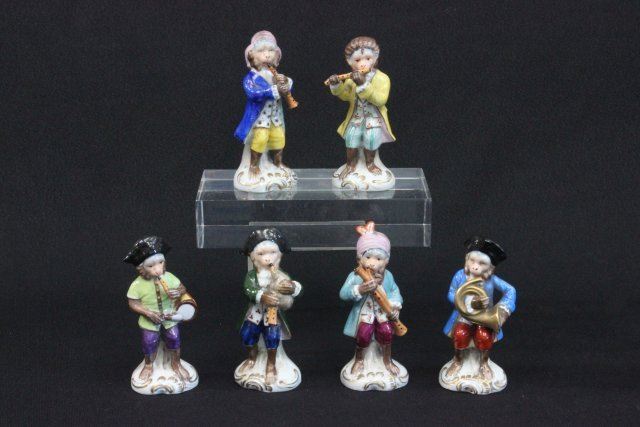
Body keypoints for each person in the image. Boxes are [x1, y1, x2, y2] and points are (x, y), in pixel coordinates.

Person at [443, 237, 516, 381]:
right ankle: (458, 360)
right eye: (472, 261)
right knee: (460, 334)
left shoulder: (491, 280)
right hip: (464, 315)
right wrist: (460, 302)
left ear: (490, 268)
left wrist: (503, 310)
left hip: (484, 316)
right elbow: (451, 292)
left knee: (484, 336)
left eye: (481, 263)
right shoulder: (460, 275)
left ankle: (484, 363)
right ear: (467, 260)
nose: (475, 266)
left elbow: (510, 290)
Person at [239, 228, 302, 385]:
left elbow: (293, 289)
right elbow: (248, 289)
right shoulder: (252, 276)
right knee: (247, 334)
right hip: (256, 312)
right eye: (261, 254)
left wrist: (292, 288)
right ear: (253, 257)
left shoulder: (280, 275)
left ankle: (271, 365)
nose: (267, 258)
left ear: (279, 255)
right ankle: (252, 357)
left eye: (272, 253)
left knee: (272, 336)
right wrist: (261, 296)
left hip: (272, 313)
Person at [339, 221, 403, 376]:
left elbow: (395, 292)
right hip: (365, 314)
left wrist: (394, 306)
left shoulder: (388, 276)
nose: (372, 263)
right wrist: (360, 289)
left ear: (386, 261)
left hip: (382, 313)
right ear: (360, 258)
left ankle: (387, 360)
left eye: (378, 259)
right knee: (363, 334)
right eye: (368, 257)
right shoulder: (356, 276)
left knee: (387, 332)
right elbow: (343, 293)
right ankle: (359, 359)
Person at [327, 36, 395, 180]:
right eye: (357, 60)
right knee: (351, 138)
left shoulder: (383, 78)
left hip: (373, 118)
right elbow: (345, 96)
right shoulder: (351, 79)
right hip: (356, 118)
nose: (363, 63)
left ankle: (370, 164)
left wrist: (363, 85)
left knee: (371, 139)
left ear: (375, 58)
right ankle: (351, 165)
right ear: (350, 62)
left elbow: (380, 100)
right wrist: (336, 85)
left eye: (368, 58)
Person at [124, 236, 189, 382]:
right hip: (150, 318)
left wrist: (178, 292)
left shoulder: (169, 277)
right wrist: (148, 313)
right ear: (142, 269)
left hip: (170, 315)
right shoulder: (137, 285)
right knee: (149, 341)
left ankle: (176, 363)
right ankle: (148, 365)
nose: (158, 269)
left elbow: (182, 288)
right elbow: (133, 303)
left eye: (161, 262)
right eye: (151, 266)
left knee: (174, 337)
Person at [234, 31, 294, 177]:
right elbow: (253, 94)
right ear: (252, 56)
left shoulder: (275, 75)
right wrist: (274, 90)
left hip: (275, 117)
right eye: (261, 51)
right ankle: (253, 166)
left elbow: (287, 88)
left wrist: (286, 83)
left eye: (270, 51)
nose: (267, 55)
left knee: (279, 138)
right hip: (259, 118)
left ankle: (278, 163)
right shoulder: (251, 78)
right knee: (260, 139)